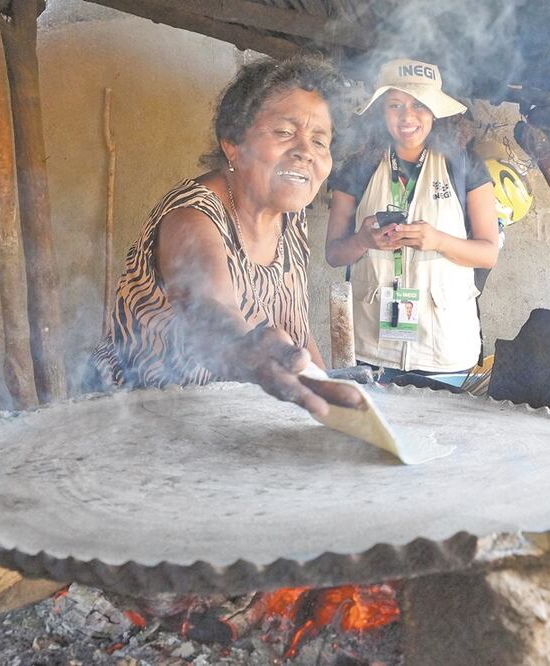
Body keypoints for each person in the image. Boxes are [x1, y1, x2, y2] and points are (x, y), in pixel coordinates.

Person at [91, 55, 362, 416]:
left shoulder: (291, 219)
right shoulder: (191, 216)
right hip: (144, 418)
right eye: (284, 132)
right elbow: (207, 310)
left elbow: (293, 332)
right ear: (233, 144)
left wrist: (329, 397)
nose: (305, 152)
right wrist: (240, 346)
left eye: (320, 141)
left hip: (227, 416)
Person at [325, 58, 500, 380]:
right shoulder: (358, 168)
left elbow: (488, 254)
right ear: (381, 112)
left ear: (435, 111)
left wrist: (437, 241)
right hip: (372, 346)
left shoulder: (464, 166)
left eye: (419, 105)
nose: (407, 117)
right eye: (395, 105)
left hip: (445, 348)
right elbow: (334, 254)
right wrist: (363, 241)